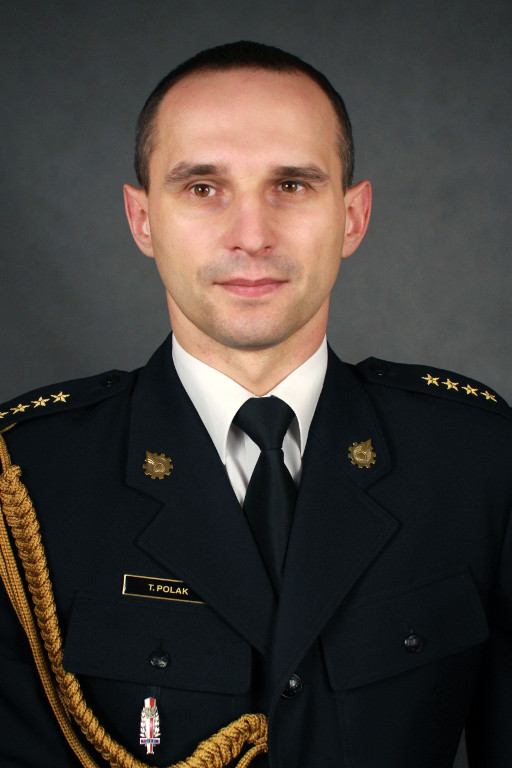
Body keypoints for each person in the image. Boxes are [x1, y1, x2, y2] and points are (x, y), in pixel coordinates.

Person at [0, 40, 510, 768]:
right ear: (142, 219)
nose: (252, 236)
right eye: (203, 188)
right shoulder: (29, 477)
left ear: (353, 216)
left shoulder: (475, 460)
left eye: (291, 185)